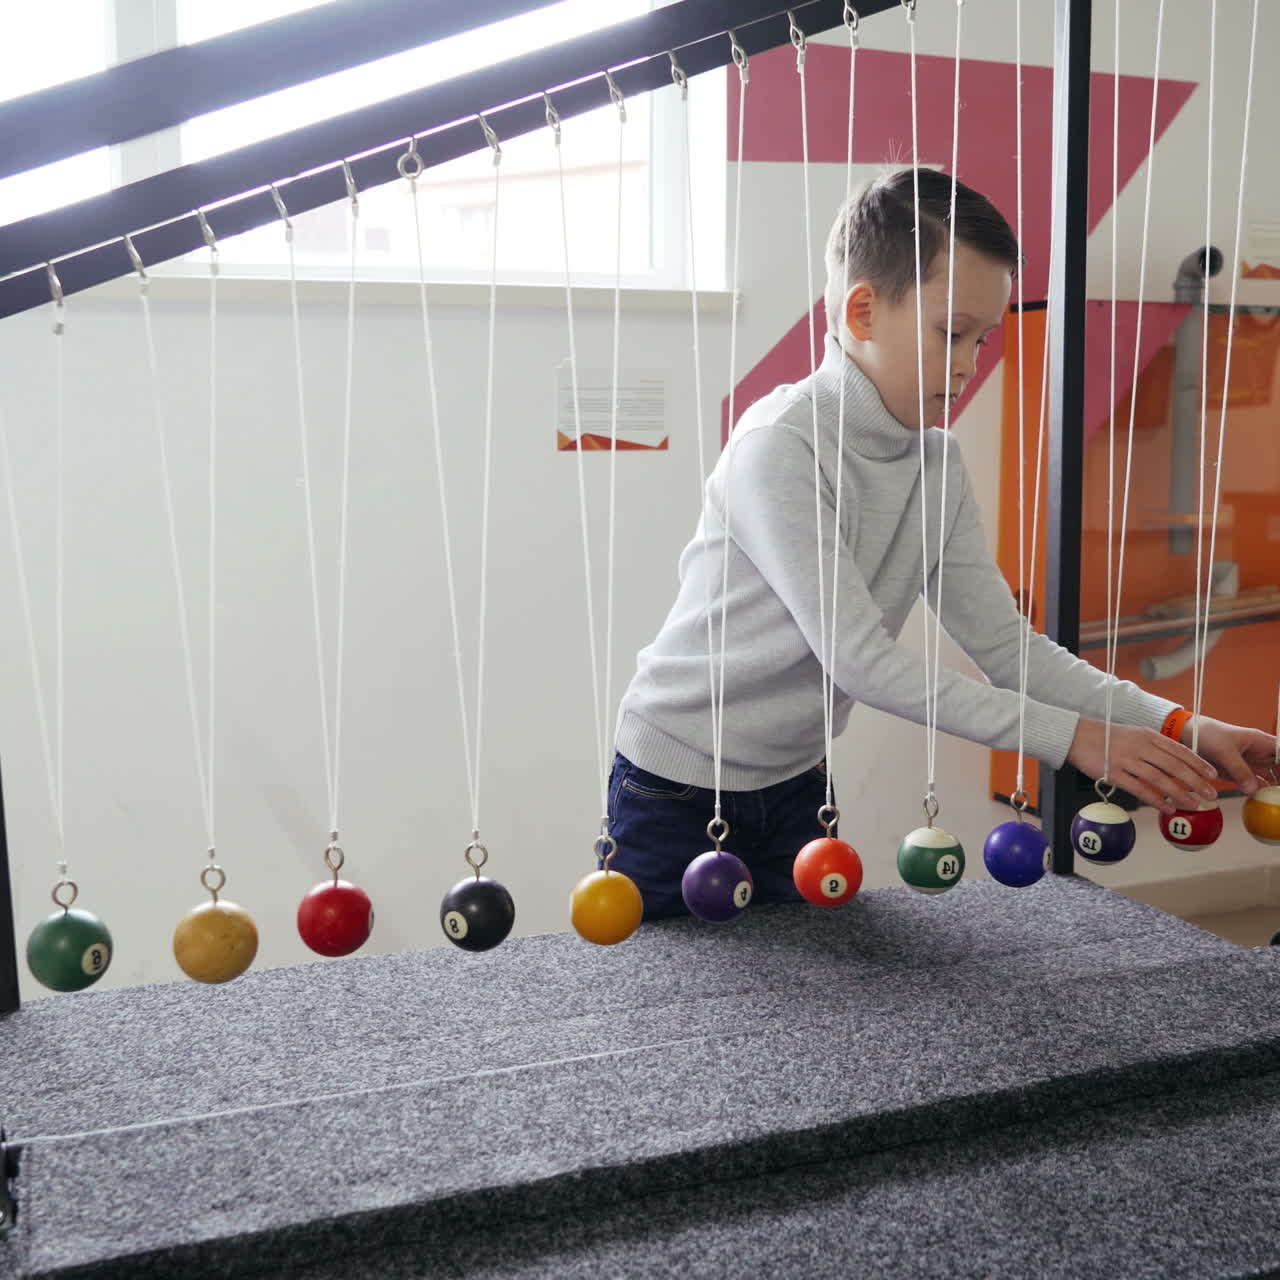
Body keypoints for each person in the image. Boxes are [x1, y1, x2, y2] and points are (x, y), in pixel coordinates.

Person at [607, 167, 1277, 919]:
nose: (969, 364)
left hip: (796, 783)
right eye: (950, 332)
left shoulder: (936, 461)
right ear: (863, 310)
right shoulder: (779, 448)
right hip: (672, 786)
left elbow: (1009, 650)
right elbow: (864, 663)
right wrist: (1074, 738)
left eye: (982, 338)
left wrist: (1182, 724)